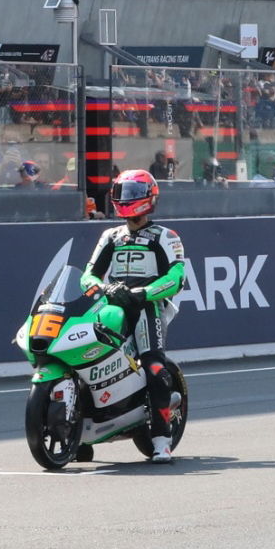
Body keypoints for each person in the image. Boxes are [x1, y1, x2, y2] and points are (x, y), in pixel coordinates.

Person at [79, 169, 186, 463]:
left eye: (133, 194)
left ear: (148, 197)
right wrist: (104, 288)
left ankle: (162, 439)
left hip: (147, 308)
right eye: (123, 193)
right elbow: (88, 275)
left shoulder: (166, 237)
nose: (126, 199)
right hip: (110, 306)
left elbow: (176, 277)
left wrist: (144, 293)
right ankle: (78, 430)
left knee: (154, 369)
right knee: (86, 359)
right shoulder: (110, 236)